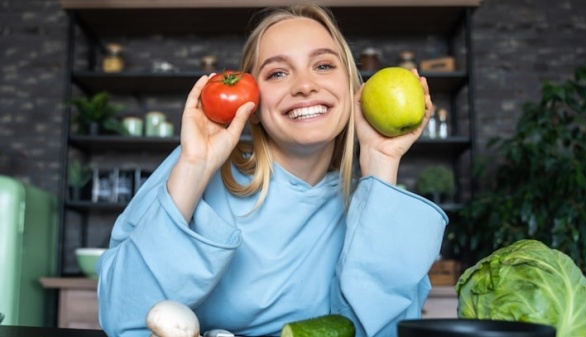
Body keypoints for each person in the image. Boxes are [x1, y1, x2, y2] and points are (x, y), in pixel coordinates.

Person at [96, 4, 447, 337]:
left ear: (354, 89)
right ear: (254, 106)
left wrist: (381, 161)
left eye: (324, 66)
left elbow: (381, 330)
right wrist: (194, 168)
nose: (305, 85)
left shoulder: (375, 202)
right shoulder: (197, 164)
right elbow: (123, 318)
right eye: (278, 72)